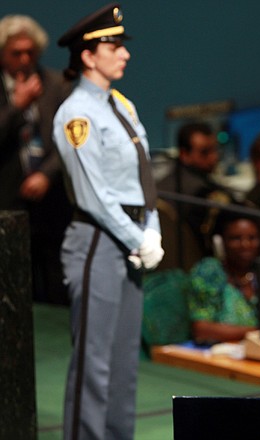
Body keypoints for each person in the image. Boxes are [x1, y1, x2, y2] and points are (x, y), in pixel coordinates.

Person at [53, 4, 164, 439]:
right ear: (87, 55)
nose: (124, 54)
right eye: (113, 45)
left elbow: (143, 174)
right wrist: (140, 237)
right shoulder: (76, 114)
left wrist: (151, 227)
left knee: (122, 363)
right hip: (98, 240)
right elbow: (92, 195)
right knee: (93, 363)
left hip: (132, 239)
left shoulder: (119, 104)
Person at [0, 14, 73, 303]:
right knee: (15, 280)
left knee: (57, 276)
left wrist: (46, 174)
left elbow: (70, 138)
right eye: (16, 53)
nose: (24, 59)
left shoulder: (57, 85)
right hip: (8, 198)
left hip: (52, 195)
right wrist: (17, 107)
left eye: (30, 52)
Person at [187, 212, 260, 343]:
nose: (245, 245)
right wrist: (258, 332)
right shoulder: (209, 271)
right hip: (223, 354)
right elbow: (201, 329)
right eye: (236, 239)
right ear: (220, 242)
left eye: (252, 238)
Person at [157, 121, 234, 256]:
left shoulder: (162, 183)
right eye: (205, 152)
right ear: (184, 154)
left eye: (215, 150)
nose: (214, 157)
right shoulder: (201, 192)